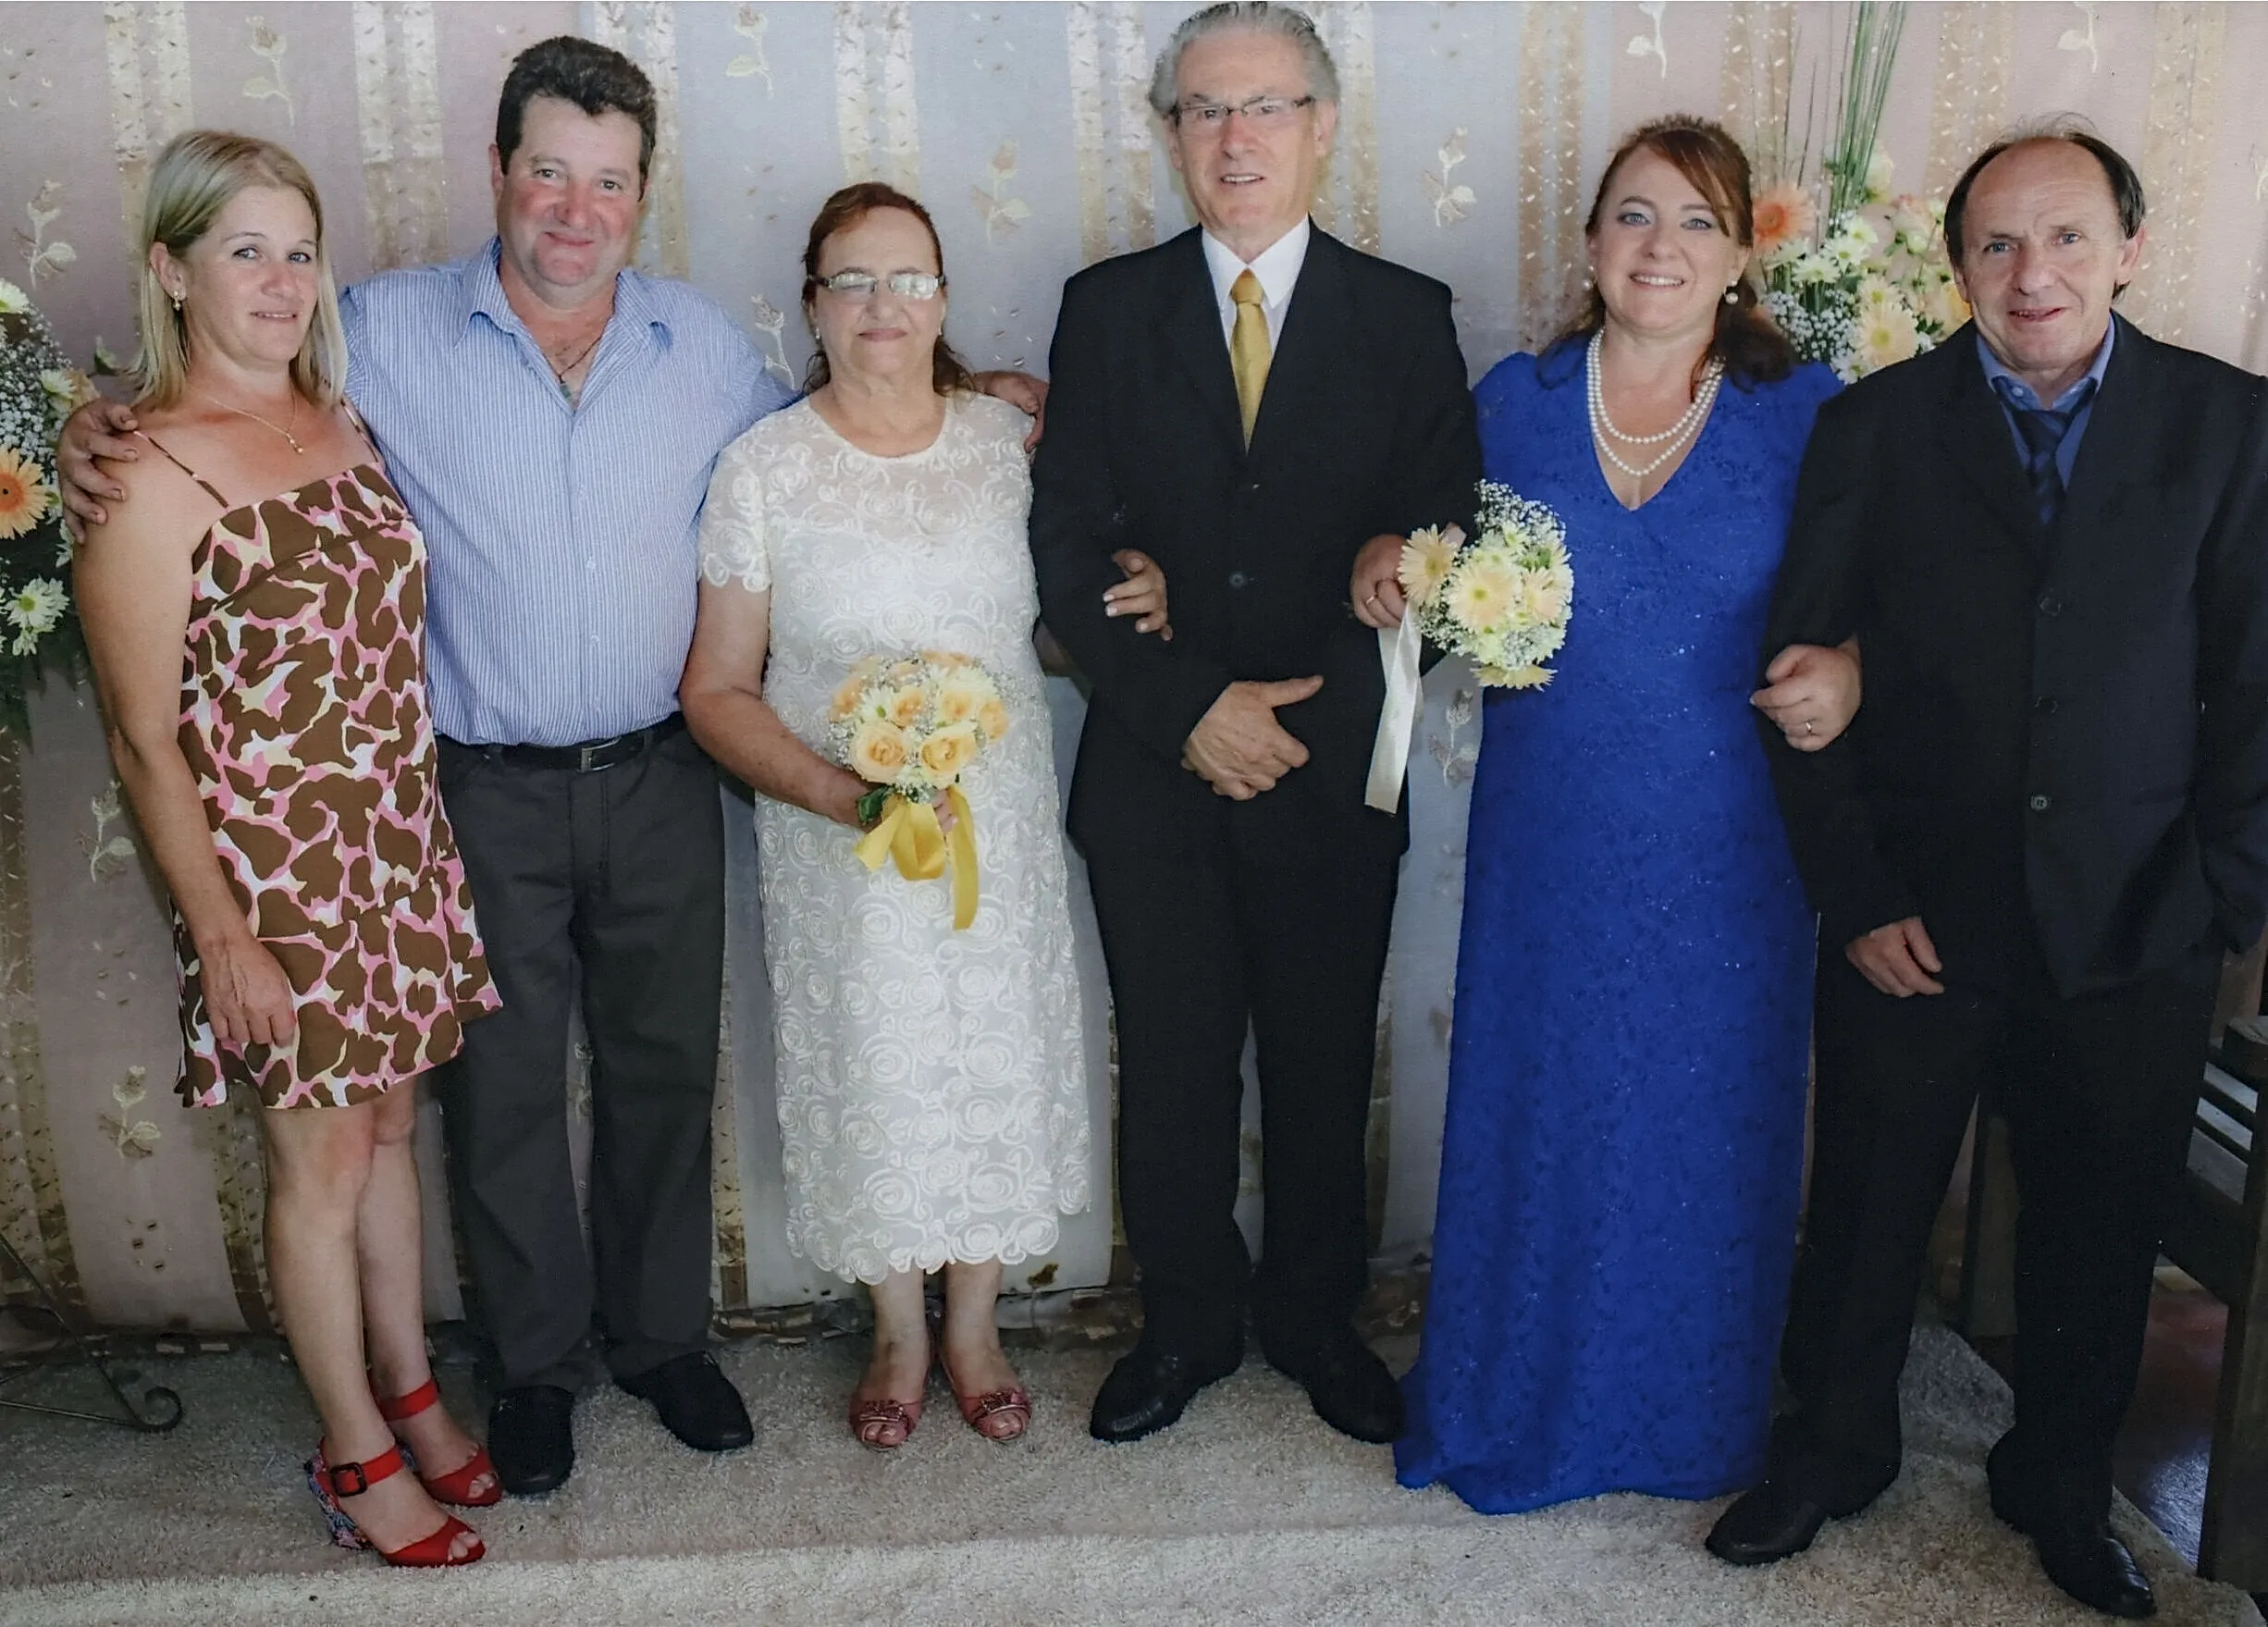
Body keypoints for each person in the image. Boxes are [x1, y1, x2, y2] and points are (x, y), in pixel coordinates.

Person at [59, 36, 1047, 1498]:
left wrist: (987, 394)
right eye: (548, 174)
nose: (575, 210)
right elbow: (227, 382)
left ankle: (663, 1344)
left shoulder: (708, 348)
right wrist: (97, 421)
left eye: (609, 182)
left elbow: (846, 412)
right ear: (501, 173)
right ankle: (532, 1368)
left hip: (662, 765)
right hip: (473, 781)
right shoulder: (378, 331)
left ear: (640, 197)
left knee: (661, 1069)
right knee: (504, 1089)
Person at [1707, 123, 2268, 1620]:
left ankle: (2065, 1484)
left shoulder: (2230, 428)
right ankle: (1831, 1448)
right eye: (2000, 246)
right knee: (1872, 1205)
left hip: (2136, 918)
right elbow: (1799, 671)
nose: (2035, 274)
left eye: (2069, 237)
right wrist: (1857, 889)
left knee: (2100, 1227)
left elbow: (2259, 694)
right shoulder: (1875, 429)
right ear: (1957, 266)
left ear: (2129, 250)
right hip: (1914, 905)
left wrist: (2220, 898)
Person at [1375, 117, 1858, 1516]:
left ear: (1740, 256)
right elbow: (1408, 547)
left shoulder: (1809, 412)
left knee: (1705, 1118)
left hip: (1732, 842)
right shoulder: (1511, 402)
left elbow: (1882, 597)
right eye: (1635, 216)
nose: (1662, 247)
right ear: (1590, 243)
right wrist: (1392, 575)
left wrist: (1855, 666)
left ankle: (1683, 1418)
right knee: (1550, 1104)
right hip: (1554, 832)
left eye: (1698, 221)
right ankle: (1508, 1395)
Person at [1029, 0, 1482, 1447]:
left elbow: (1445, 524)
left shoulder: (1408, 315)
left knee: (1318, 1057)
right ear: (1170, 133)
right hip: (1157, 770)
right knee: (1168, 1066)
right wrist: (1185, 711)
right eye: (1206, 110)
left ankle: (1310, 1317)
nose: (1236, 139)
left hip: (1330, 765)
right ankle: (1187, 1324)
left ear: (1323, 125)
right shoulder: (1106, 308)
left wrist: (1397, 558)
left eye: (1267, 107)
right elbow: (1064, 541)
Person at [73, 130, 499, 1566]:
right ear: (170, 269)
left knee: (388, 1127)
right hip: (279, 876)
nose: (276, 279)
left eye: (297, 249)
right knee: (318, 1160)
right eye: (241, 249)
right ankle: (356, 1451)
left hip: (396, 838)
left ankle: (416, 1391)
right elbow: (144, 740)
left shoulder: (346, 418)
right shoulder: (143, 473)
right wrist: (225, 935)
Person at [682, 184, 1165, 1448]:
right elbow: (718, 688)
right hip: (838, 836)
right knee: (877, 1058)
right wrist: (851, 794)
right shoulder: (764, 469)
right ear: (812, 306)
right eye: (853, 281)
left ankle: (974, 1323)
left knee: (990, 1050)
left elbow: (1054, 632)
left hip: (991, 827)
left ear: (944, 298)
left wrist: (1130, 599)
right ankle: (898, 1325)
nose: (883, 306)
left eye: (908, 279)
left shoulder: (1006, 444)